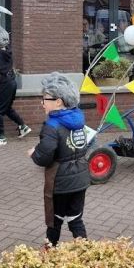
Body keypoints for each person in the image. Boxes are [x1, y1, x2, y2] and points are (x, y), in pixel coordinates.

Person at [30, 73, 90, 249]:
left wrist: (34, 153)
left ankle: (49, 253)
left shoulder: (52, 125)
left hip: (60, 181)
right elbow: (85, 145)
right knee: (75, 219)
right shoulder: (79, 119)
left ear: (58, 102)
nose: (42, 103)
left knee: (54, 220)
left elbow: (44, 156)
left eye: (45, 98)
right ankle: (87, 253)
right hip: (81, 178)